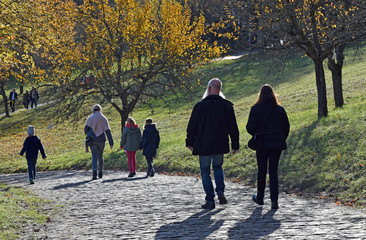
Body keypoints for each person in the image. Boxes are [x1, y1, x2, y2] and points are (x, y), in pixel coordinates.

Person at [186, 78, 240, 209]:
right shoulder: (227, 106)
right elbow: (233, 127)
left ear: (209, 89)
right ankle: (220, 191)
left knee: (205, 171)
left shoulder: (200, 106)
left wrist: (189, 142)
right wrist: (235, 144)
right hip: (220, 143)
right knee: (218, 167)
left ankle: (210, 200)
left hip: (203, 144)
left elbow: (191, 126)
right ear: (219, 89)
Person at [246, 84, 290, 210]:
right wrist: (280, 138)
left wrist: (256, 134)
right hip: (276, 145)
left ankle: (260, 197)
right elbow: (286, 127)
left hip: (261, 144)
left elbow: (250, 128)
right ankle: (274, 200)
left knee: (262, 171)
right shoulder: (279, 110)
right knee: (273, 172)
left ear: (260, 95)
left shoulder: (255, 109)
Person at [84, 104, 114, 180]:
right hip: (101, 140)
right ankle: (100, 172)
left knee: (94, 156)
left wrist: (90, 131)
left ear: (93, 110)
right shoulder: (104, 118)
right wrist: (111, 142)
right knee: (100, 156)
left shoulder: (90, 118)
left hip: (92, 140)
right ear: (100, 109)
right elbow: (107, 131)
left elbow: (85, 130)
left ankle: (94, 173)